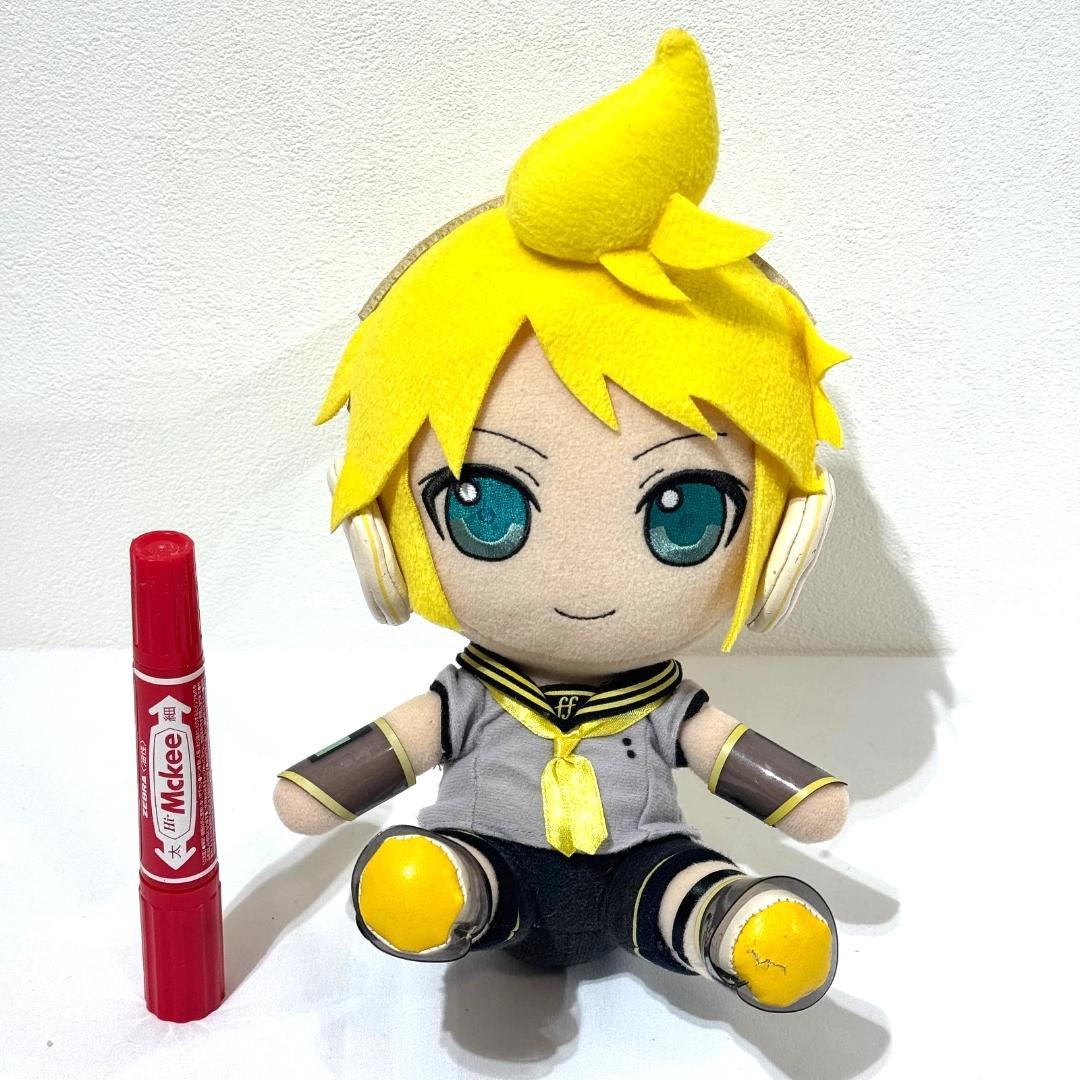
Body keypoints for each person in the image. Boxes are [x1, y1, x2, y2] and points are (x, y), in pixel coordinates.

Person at [275, 29, 850, 1012]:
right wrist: (323, 788)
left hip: (642, 861)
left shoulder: (663, 707)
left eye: (682, 513)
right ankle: (443, 897)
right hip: (485, 854)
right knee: (458, 874)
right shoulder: (470, 698)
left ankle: (729, 928)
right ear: (385, 536)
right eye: (486, 506)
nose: (585, 582)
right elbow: (383, 754)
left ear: (782, 544)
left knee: (680, 883)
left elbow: (744, 765)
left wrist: (801, 798)